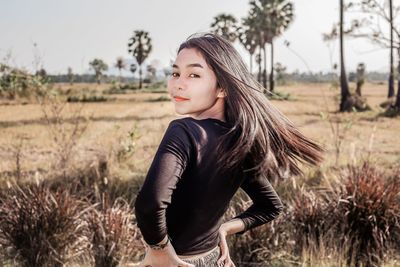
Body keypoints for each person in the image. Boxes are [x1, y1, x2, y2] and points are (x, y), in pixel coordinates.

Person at [134, 32, 324, 267]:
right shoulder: (239, 140)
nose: (178, 83)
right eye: (175, 73)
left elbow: (149, 204)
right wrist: (224, 229)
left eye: (194, 74)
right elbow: (270, 206)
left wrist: (159, 249)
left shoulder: (183, 131)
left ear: (222, 88)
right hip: (214, 259)